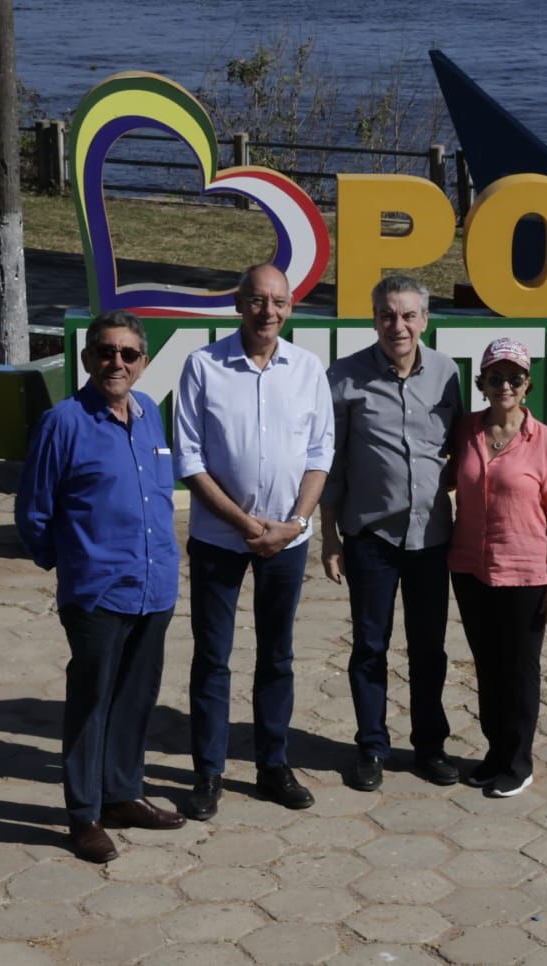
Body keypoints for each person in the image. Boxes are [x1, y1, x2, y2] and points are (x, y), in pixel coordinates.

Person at [15, 310, 186, 863]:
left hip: (153, 587)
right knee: (90, 703)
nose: (117, 362)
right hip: (96, 592)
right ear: (88, 358)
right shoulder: (63, 422)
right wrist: (73, 566)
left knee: (136, 699)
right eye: (106, 352)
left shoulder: (151, 417)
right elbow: (34, 512)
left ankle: (123, 795)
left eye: (128, 354)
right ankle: (84, 814)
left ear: (143, 362)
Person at [173, 263, 333, 820]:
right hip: (220, 537)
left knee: (277, 656)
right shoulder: (203, 367)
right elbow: (189, 458)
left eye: (279, 302)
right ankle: (208, 773)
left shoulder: (308, 370)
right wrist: (245, 523)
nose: (269, 311)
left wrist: (294, 522)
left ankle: (272, 765)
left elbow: (319, 454)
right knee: (213, 658)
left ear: (290, 309)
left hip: (287, 540)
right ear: (239, 304)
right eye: (258, 300)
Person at [320, 275, 462, 792]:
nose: (396, 325)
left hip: (431, 539)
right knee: (369, 647)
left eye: (407, 315)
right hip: (370, 538)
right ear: (374, 317)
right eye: (386, 314)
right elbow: (331, 465)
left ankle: (430, 747)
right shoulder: (345, 377)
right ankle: (371, 747)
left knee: (429, 649)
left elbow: (462, 450)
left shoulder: (447, 374)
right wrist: (329, 538)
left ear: (424, 320)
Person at [450, 337, 547, 797]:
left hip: (525, 573)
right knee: (487, 665)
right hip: (469, 567)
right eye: (495, 377)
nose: (505, 384)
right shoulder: (464, 430)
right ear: (482, 383)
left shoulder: (545, 442)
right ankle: (495, 753)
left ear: (528, 386)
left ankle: (518, 762)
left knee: (519, 668)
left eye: (514, 377)